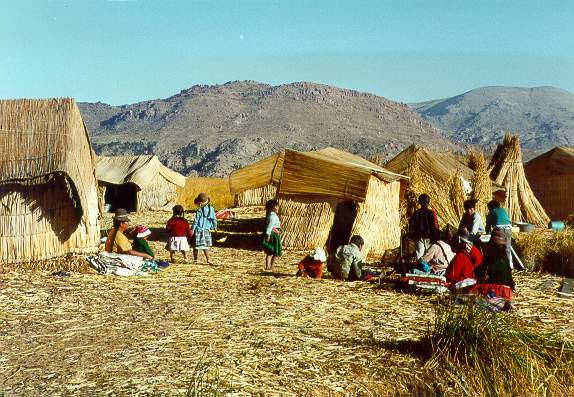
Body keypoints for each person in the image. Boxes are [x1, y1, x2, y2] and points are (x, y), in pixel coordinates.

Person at [473, 229, 515, 299]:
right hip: (506, 289)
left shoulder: (496, 259)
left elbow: (482, 274)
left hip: (499, 290)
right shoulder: (503, 257)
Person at [409, 193, 440, 260]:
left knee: (419, 255)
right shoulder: (431, 213)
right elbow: (435, 227)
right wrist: (436, 238)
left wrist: (414, 236)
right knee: (429, 255)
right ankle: (426, 269)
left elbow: (411, 227)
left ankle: (418, 268)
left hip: (419, 238)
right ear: (428, 202)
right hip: (429, 238)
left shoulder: (416, 213)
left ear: (419, 202)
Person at [485, 199, 513, 268]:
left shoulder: (491, 212)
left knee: (496, 247)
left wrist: (487, 233)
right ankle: (510, 266)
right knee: (507, 248)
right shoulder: (503, 210)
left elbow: (488, 226)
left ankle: (495, 265)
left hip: (499, 230)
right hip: (509, 229)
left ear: (490, 208)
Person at [192, 193, 217, 264]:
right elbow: (214, 219)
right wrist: (215, 227)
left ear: (199, 203)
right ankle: (208, 259)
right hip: (206, 230)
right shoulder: (211, 209)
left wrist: (192, 230)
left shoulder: (199, 211)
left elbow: (195, 221)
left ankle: (195, 259)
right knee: (205, 246)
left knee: (195, 246)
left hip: (198, 230)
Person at [262, 199, 282, 270]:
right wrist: (268, 235)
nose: (278, 207)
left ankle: (268, 267)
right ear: (273, 208)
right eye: (277, 206)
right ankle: (271, 267)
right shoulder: (273, 217)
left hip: (272, 234)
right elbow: (270, 226)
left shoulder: (270, 215)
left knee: (269, 252)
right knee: (274, 252)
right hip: (273, 236)